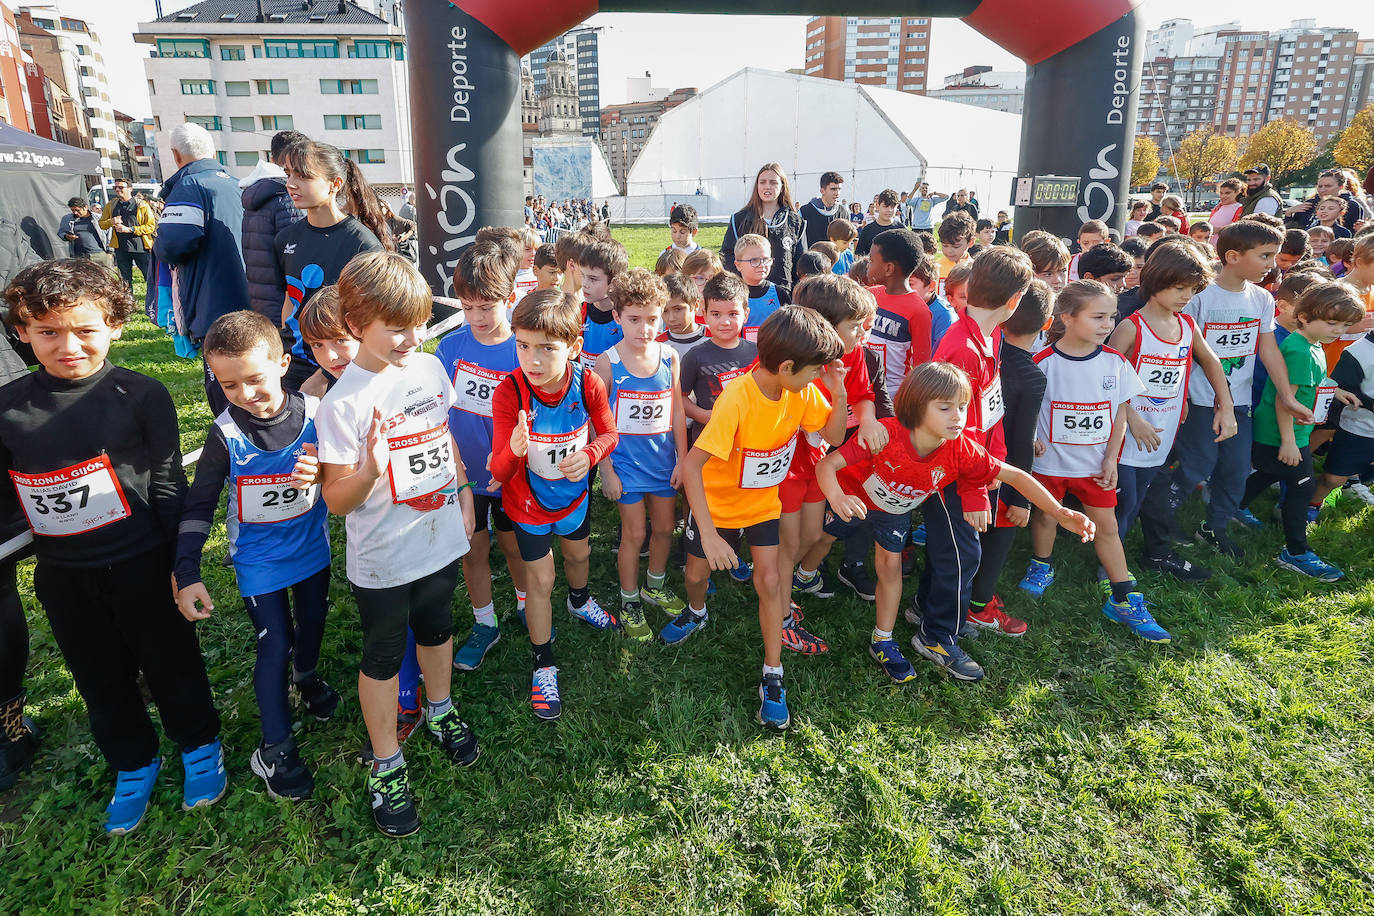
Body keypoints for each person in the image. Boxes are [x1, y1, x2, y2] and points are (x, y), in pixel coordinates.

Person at [0, 259, 224, 835]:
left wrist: (183, 564)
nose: (67, 345)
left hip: (142, 563)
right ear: (22, 331)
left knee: (172, 661)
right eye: (48, 331)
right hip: (64, 574)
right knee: (97, 674)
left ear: (115, 325)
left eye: (85, 329)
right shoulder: (8, 408)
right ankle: (132, 760)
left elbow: (170, 482)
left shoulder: (141, 394)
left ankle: (198, 744)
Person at [316, 252, 480, 838]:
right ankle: (386, 760)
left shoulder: (431, 369)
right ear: (356, 323)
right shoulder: (344, 403)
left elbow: (446, 436)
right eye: (397, 327)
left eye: (417, 322)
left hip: (437, 536)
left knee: (438, 624)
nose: (412, 337)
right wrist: (368, 471)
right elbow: (336, 499)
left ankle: (440, 708)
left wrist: (462, 488)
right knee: (385, 650)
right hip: (383, 554)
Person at [820, 361, 1093, 681]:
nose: (958, 416)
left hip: (893, 512)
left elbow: (1015, 476)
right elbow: (827, 465)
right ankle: (806, 574)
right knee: (819, 541)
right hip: (848, 499)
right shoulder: (887, 433)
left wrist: (1060, 512)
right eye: (945, 407)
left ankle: (883, 640)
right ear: (916, 406)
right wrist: (838, 498)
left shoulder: (961, 449)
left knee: (889, 566)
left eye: (963, 407)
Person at [174, 310, 336, 802]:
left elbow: (347, 472)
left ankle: (305, 678)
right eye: (228, 385)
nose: (245, 395)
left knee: (313, 622)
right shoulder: (225, 435)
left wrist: (323, 473)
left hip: (312, 550)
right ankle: (276, 749)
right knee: (275, 643)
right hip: (259, 562)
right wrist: (186, 570)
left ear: (284, 362)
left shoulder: (317, 412)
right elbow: (198, 505)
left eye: (255, 379)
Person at [674, 307, 846, 728]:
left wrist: (837, 392)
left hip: (763, 504)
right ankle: (696, 612)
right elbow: (693, 468)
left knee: (769, 581)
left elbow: (835, 436)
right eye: (812, 371)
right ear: (786, 366)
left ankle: (773, 674)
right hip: (716, 506)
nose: (815, 379)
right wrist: (711, 536)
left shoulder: (800, 391)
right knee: (696, 576)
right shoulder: (736, 398)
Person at [1137, 220, 1311, 574]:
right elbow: (1184, 351)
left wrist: (1286, 396)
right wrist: (1193, 398)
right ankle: (1161, 521)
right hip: (1201, 399)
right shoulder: (1198, 295)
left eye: (1274, 256)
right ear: (1232, 256)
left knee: (1234, 470)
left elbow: (1267, 349)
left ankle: (1212, 528)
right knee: (1197, 466)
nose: (1271, 264)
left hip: (1239, 402)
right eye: (1264, 256)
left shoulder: (1262, 298)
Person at [1017, 280, 1179, 641]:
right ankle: (1041, 565)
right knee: (1046, 516)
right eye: (1098, 317)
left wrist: (1111, 458)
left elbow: (1120, 412)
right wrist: (1031, 440)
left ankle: (1123, 597)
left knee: (1106, 527)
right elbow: (1026, 409)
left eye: (1111, 317)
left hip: (1095, 466)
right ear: (1067, 318)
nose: (1107, 325)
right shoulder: (1042, 362)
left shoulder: (1116, 362)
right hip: (1050, 465)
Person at [490, 289, 621, 721]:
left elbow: (609, 434)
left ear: (574, 347)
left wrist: (591, 455)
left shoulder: (589, 383)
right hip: (526, 504)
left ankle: (580, 600)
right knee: (541, 579)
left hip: (574, 498)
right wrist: (512, 449)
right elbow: (501, 469)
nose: (533, 360)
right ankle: (543, 662)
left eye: (547, 348)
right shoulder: (510, 392)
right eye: (523, 346)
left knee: (579, 555)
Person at [918, 248, 1034, 679]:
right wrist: (973, 490)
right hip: (952, 471)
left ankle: (928, 611)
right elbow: (954, 431)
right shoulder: (963, 348)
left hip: (976, 467)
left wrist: (995, 461)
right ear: (1015, 300)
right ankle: (936, 634)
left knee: (952, 549)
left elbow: (989, 410)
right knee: (964, 555)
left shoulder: (989, 337)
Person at [1107, 242, 1234, 574]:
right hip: (1126, 439)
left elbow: (1212, 361)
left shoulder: (1187, 326)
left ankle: (1157, 555)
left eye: (1192, 289)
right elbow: (1106, 380)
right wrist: (1132, 419)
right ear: (1156, 280)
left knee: (1156, 497)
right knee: (1126, 506)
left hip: (1162, 435)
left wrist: (1227, 406)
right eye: (1179, 288)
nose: (1186, 296)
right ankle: (1109, 571)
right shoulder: (1130, 328)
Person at [434, 241, 528, 671]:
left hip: (512, 474)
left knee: (513, 546)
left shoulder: (524, 351)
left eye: (486, 307)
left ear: (511, 298)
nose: (475, 318)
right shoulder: (450, 349)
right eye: (467, 307)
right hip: (466, 474)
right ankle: (484, 621)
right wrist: (457, 473)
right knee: (473, 548)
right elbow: (438, 414)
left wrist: (509, 463)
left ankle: (529, 604)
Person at [1239, 282, 1363, 580]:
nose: (1338, 330)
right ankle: (1295, 552)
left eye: (1345, 324)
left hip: (1294, 433)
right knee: (1302, 486)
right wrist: (1289, 442)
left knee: (1272, 471)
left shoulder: (1314, 344)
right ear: (1304, 317)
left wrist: (1334, 392)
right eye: (1331, 322)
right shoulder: (1299, 351)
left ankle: (1230, 506)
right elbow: (1286, 400)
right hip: (1283, 433)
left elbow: (1313, 381)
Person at [781, 275, 880, 630]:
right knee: (789, 540)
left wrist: (852, 408)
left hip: (815, 462)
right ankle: (778, 604)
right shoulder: (786, 362)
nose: (862, 333)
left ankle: (784, 583)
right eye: (854, 326)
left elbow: (837, 428)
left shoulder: (850, 357)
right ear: (824, 326)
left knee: (808, 536)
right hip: (784, 468)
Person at [595, 269, 688, 638]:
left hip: (663, 463)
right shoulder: (608, 363)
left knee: (664, 528)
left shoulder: (670, 357)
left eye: (653, 319)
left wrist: (682, 458)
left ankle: (655, 584)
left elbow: (677, 410)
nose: (644, 329)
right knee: (634, 533)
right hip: (626, 467)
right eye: (634, 320)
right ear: (617, 316)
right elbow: (597, 420)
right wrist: (606, 469)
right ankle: (629, 598)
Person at [963, 280, 1052, 636]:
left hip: (969, 464)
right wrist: (1022, 500)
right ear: (1047, 325)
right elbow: (1022, 442)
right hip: (1001, 477)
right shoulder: (1031, 376)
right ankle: (980, 609)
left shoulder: (987, 351)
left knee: (969, 545)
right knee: (995, 546)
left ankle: (965, 598)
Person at [275, 141, 390, 393]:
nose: (291, 183)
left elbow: (374, 321)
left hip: (341, 367)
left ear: (334, 184)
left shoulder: (362, 244)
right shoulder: (285, 239)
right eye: (289, 174)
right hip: (294, 363)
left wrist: (323, 374)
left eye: (303, 176)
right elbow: (289, 301)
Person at [154, 123, 250, 410]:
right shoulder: (237, 184)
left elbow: (172, 245)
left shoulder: (188, 186)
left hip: (212, 305)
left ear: (175, 154)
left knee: (225, 388)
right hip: (249, 298)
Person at [240, 130, 307, 375]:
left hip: (262, 296)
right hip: (284, 302)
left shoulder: (255, 195)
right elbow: (296, 256)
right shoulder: (287, 197)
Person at [864, 228, 933, 400]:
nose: (868, 266)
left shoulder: (919, 311)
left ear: (888, 268)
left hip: (893, 397)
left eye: (871, 261)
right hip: (863, 389)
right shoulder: (870, 295)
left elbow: (921, 366)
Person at [721, 163, 805, 293]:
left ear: (782, 186)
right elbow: (727, 258)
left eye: (773, 183)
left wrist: (795, 294)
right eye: (763, 182)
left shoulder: (795, 222)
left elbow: (801, 264)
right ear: (757, 186)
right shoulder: (739, 220)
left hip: (783, 298)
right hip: (746, 296)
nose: (767, 186)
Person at [578, 239, 628, 370]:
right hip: (585, 386)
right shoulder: (577, 312)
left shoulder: (626, 317)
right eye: (582, 275)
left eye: (593, 279)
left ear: (614, 282)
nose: (585, 283)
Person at [99, 178, 156, 293]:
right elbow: (101, 224)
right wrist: (111, 221)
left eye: (121, 187)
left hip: (141, 248)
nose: (117, 190)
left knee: (150, 277)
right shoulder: (111, 205)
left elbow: (151, 226)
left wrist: (130, 229)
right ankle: (129, 303)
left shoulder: (142, 205)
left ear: (130, 189)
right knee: (125, 280)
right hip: (121, 248)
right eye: (115, 187)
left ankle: (155, 301)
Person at [735, 233, 790, 342]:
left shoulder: (779, 294)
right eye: (754, 260)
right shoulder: (732, 295)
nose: (761, 265)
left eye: (765, 259)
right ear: (738, 265)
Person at [1286, 169, 1368, 234]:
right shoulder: (1309, 204)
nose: (1322, 189)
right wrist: (1289, 214)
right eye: (1320, 186)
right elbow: (1293, 232)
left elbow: (1352, 234)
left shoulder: (1352, 205)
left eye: (1328, 186)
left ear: (1341, 187)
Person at [658, 273, 705, 358]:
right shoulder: (657, 346)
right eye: (665, 311)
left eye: (678, 309)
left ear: (695, 305)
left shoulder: (716, 337)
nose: (671, 318)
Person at [59, 198, 111, 266]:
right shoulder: (67, 219)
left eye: (77, 210)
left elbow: (109, 234)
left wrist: (110, 252)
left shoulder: (99, 218)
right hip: (79, 256)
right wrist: (67, 236)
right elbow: (61, 232)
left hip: (99, 254)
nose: (75, 213)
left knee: (104, 276)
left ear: (85, 207)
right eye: (73, 210)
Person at [800, 171, 845, 250]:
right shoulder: (805, 212)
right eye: (833, 189)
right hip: (811, 260)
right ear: (822, 191)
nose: (837, 193)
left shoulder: (843, 212)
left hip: (837, 261)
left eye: (839, 189)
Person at [935, 212, 976, 297]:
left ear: (971, 242)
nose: (949, 251)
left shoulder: (977, 269)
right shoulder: (935, 267)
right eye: (945, 245)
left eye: (956, 246)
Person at [855, 189, 903, 257]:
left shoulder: (902, 230)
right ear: (877, 206)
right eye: (885, 206)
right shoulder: (867, 230)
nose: (889, 210)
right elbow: (859, 256)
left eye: (892, 207)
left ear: (897, 207)